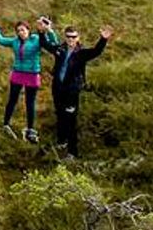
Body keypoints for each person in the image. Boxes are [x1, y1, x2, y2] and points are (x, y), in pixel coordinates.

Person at [42, 24, 114, 158]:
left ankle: (72, 152)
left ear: (78, 38)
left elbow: (96, 51)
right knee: (60, 115)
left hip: (72, 92)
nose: (71, 39)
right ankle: (62, 141)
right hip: (58, 89)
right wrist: (42, 31)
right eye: (68, 37)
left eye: (74, 37)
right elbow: (45, 45)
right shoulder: (60, 49)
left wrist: (103, 39)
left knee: (70, 120)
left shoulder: (81, 53)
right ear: (65, 37)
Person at [0, 11, 45, 142]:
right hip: (18, 73)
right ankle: (6, 124)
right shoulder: (15, 42)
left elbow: (51, 42)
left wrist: (48, 30)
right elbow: (0, 40)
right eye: (18, 31)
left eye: (23, 30)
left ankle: (30, 129)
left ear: (28, 30)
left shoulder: (36, 40)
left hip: (32, 74)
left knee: (30, 102)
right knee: (12, 100)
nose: (21, 33)